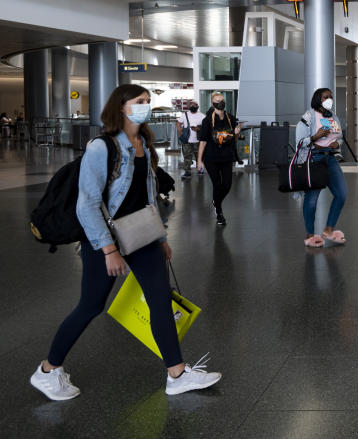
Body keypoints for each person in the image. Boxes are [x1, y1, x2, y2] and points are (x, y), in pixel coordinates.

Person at [30, 84, 221, 401]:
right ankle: (48, 370)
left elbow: (148, 198)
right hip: (106, 239)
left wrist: (159, 236)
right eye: (139, 102)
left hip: (142, 234)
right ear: (121, 106)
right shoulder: (101, 147)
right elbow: (87, 204)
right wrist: (109, 250)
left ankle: (176, 373)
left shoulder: (144, 141)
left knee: (161, 300)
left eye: (148, 101)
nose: (145, 106)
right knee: (90, 306)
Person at [294, 88, 348, 248]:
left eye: (330, 97)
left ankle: (329, 230)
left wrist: (337, 143)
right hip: (313, 159)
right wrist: (315, 137)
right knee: (311, 200)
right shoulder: (308, 117)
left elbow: (340, 137)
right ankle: (310, 235)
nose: (329, 99)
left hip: (330, 157)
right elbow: (299, 142)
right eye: (325, 97)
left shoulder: (333, 116)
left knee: (341, 194)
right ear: (318, 99)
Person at [197, 93, 241, 227]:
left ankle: (216, 201)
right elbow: (203, 141)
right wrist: (199, 160)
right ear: (212, 103)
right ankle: (219, 212)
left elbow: (234, 138)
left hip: (227, 157)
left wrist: (237, 134)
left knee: (227, 185)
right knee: (217, 184)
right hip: (211, 158)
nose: (220, 103)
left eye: (221, 100)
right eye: (217, 101)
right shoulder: (207, 121)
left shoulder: (231, 119)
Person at [177, 101, 204, 179]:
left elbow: (206, 126)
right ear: (188, 107)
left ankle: (200, 169)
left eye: (195, 105)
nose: (193, 106)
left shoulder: (202, 116)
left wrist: (198, 129)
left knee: (199, 156)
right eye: (191, 105)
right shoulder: (184, 115)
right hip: (187, 140)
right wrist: (181, 133)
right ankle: (187, 172)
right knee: (187, 156)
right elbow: (178, 123)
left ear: (197, 106)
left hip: (198, 140)